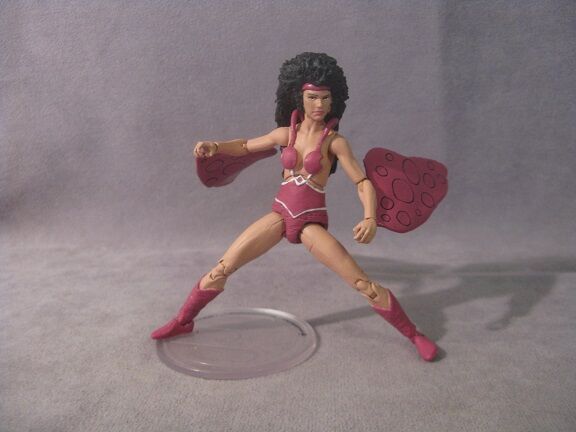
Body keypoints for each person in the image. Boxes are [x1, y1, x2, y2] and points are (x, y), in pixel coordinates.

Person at [151, 52, 438, 361]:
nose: (319, 104)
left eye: (325, 98)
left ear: (333, 100)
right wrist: (216, 146)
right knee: (222, 267)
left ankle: (414, 334)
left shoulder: (335, 143)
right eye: (312, 97)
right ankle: (183, 321)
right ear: (299, 97)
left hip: (310, 224)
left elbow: (362, 181)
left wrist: (370, 217)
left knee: (362, 283)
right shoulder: (285, 135)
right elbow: (245, 146)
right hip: (279, 216)